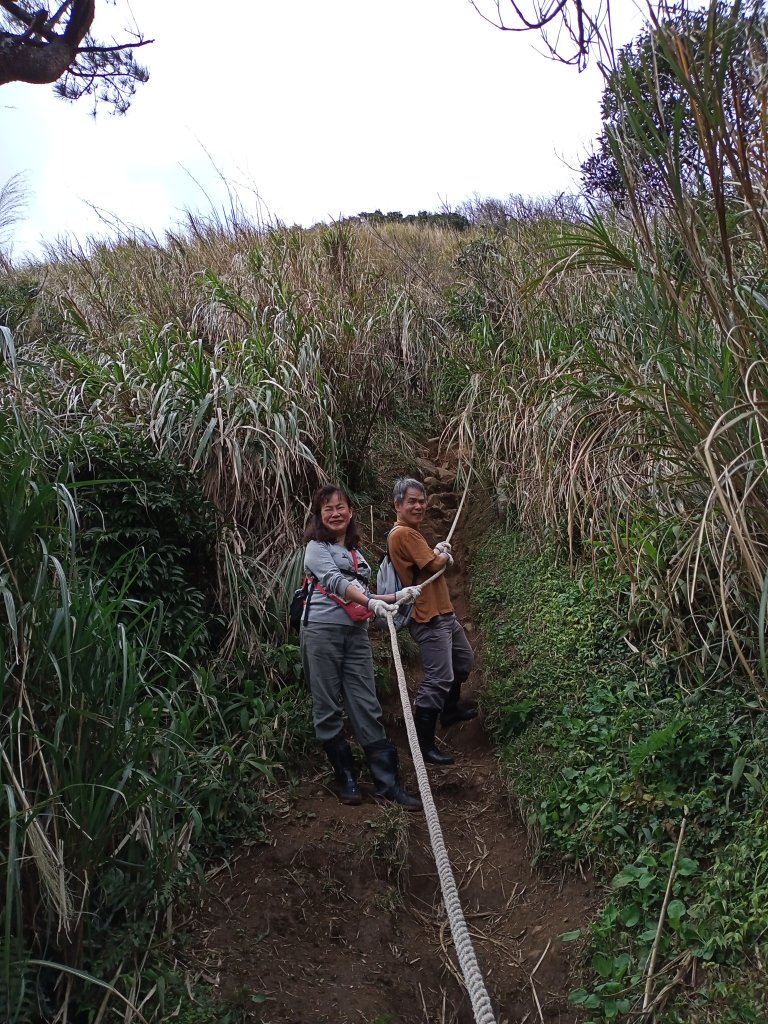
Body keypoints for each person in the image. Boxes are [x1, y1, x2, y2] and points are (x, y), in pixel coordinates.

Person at [301, 483, 423, 810]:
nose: (335, 513)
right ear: (319, 516)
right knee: (327, 705)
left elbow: (362, 593)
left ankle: (387, 785)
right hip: (321, 631)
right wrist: (372, 602)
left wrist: (396, 596)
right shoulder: (315, 549)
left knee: (366, 704)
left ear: (351, 512)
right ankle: (347, 780)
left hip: (356, 634)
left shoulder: (357, 555)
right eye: (328, 509)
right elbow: (336, 583)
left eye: (340, 507)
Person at [387, 477, 477, 766]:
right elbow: (434, 564)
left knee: (463, 661)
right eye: (411, 501)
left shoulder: (411, 533)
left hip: (443, 612)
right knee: (439, 678)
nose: (419, 506)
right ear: (397, 505)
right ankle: (423, 744)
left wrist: (437, 551)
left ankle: (449, 711)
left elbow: (427, 561)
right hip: (428, 616)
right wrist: (443, 555)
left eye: (421, 501)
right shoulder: (404, 534)